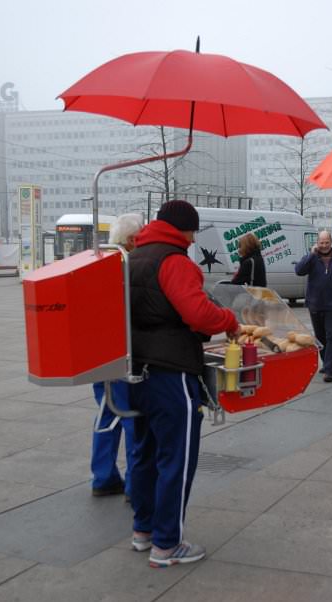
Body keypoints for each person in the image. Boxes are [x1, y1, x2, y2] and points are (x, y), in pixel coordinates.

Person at [128, 200, 239, 567]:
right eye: (192, 233)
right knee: (176, 457)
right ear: (184, 231)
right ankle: (167, 544)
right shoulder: (174, 261)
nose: (193, 241)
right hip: (171, 370)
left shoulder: (134, 257)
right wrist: (227, 320)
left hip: (135, 368)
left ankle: (143, 531)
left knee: (143, 453)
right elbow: (197, 313)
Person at [90, 213, 144, 498]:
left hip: (99, 358)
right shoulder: (129, 266)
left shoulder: (99, 263)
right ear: (133, 240)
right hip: (124, 357)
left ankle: (103, 476)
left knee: (105, 415)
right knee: (131, 418)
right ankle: (136, 485)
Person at [294, 230, 332, 383]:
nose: (324, 246)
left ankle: (330, 369)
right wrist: (311, 255)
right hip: (315, 304)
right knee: (320, 337)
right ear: (317, 243)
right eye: (321, 243)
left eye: (327, 243)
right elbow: (299, 271)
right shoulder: (311, 258)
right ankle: (326, 362)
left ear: (331, 242)